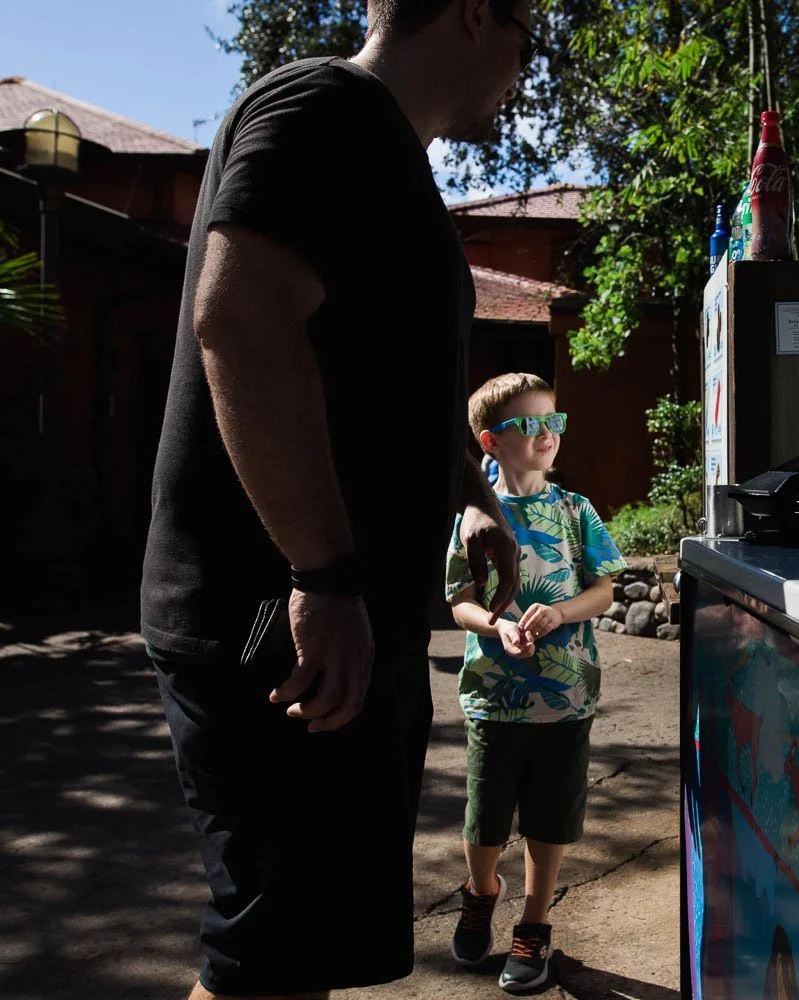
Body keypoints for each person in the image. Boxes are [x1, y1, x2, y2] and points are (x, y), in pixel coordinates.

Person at [139, 2, 534, 997]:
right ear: (474, 15)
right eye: (529, 33)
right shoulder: (327, 108)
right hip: (279, 623)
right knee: (264, 962)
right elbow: (238, 320)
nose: (528, 68)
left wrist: (472, 492)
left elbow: (378, 378)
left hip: (330, 618)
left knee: (295, 953)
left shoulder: (384, 152)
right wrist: (323, 573)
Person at [445, 373, 626, 992]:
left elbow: (604, 591)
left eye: (555, 421)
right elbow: (459, 601)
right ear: (490, 441)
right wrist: (494, 629)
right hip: (494, 696)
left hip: (566, 695)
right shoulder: (474, 516)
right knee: (485, 817)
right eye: (531, 424)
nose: (548, 434)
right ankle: (480, 891)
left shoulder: (575, 511)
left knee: (551, 817)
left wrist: (560, 611)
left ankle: (534, 924)